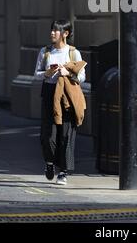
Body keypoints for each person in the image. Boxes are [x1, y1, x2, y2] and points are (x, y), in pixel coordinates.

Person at [34, 20, 86, 185]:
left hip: (67, 95)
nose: (52, 33)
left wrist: (68, 73)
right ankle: (49, 163)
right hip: (49, 93)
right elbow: (36, 74)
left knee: (66, 134)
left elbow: (82, 77)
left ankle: (63, 171)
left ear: (66, 33)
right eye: (51, 30)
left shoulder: (73, 53)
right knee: (47, 135)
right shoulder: (45, 52)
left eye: (56, 31)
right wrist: (47, 73)